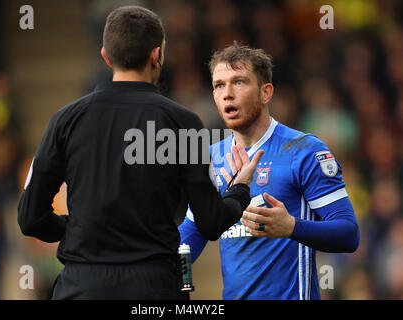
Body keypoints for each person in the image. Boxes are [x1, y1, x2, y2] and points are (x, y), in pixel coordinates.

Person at [17, 6, 263, 300]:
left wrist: (73, 228)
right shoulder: (183, 123)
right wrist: (238, 190)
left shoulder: (65, 121)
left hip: (82, 286)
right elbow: (210, 222)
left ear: (106, 56)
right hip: (154, 287)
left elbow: (30, 218)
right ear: (157, 55)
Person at [178, 43, 360, 300]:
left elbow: (348, 234)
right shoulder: (211, 157)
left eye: (239, 82)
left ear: (266, 93)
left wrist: (291, 227)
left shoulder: (303, 150)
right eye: (219, 85)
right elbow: (191, 232)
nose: (227, 93)